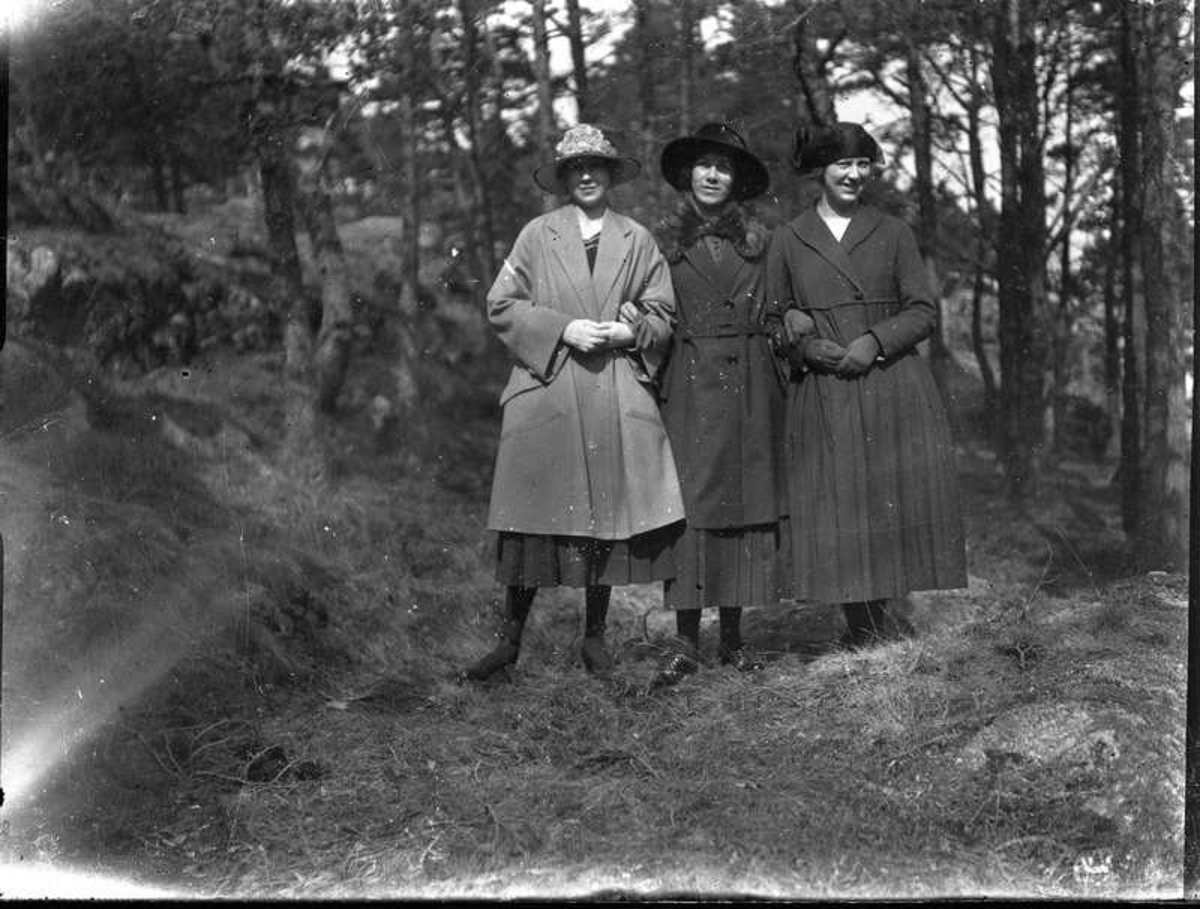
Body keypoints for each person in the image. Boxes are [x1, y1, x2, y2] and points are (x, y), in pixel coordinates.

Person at [461, 124, 685, 682]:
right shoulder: (536, 235)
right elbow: (501, 303)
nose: (586, 175)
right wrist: (563, 329)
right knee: (530, 521)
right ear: (564, 178)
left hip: (611, 389)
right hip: (550, 389)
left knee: (603, 520)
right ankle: (509, 643)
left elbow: (663, 313)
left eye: (595, 166)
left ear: (611, 174)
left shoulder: (637, 239)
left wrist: (629, 331)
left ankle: (595, 639)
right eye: (575, 168)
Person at [766, 122, 968, 647]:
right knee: (839, 502)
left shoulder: (894, 232)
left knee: (882, 499)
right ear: (821, 171)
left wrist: (874, 341)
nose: (854, 175)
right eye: (843, 165)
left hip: (887, 381)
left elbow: (922, 310)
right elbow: (772, 317)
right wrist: (805, 347)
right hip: (825, 386)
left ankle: (874, 626)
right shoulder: (788, 238)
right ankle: (859, 624)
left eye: (862, 164)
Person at [637, 122, 800, 691]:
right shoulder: (659, 243)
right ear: (689, 174)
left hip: (752, 387)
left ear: (737, 180)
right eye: (705, 165)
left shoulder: (762, 242)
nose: (712, 175)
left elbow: (780, 305)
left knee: (745, 507)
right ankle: (685, 643)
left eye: (724, 168)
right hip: (688, 385)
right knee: (692, 510)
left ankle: (733, 638)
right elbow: (645, 308)